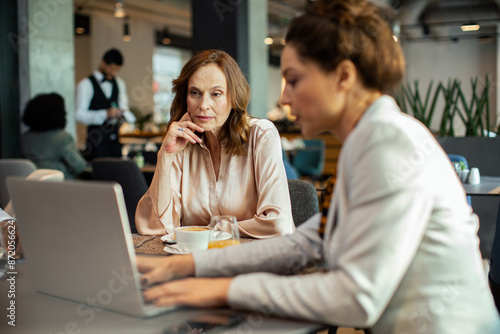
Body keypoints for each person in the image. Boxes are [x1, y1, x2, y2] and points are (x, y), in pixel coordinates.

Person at [135, 1, 500, 333]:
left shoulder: (388, 144)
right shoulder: (366, 139)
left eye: (294, 79)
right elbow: (315, 240)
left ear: (342, 77)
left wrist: (223, 290)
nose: (283, 98)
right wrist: (193, 266)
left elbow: (357, 298)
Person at [135, 49, 294, 238]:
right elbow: (156, 227)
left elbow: (279, 224)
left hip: (252, 258)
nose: (203, 105)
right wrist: (166, 155)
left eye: (216, 94)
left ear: (233, 97)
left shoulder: (261, 135)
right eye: (195, 93)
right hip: (196, 260)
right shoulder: (183, 143)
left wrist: (211, 231)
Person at [75, 48, 135, 160]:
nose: (114, 73)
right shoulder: (85, 84)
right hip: (96, 144)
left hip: (115, 141)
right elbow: (79, 115)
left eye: (117, 70)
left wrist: (123, 114)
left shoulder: (120, 83)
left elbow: (123, 106)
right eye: (112, 69)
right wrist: (105, 114)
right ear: (103, 63)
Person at [21, 93, 87, 179]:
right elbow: (80, 167)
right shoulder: (63, 138)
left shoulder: (24, 138)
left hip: (32, 186)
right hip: (61, 187)